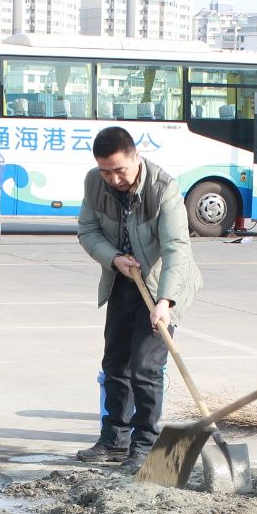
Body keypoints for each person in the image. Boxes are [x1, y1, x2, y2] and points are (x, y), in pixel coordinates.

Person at [75, 126, 201, 472]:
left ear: (136, 158)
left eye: (120, 170)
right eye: (106, 171)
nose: (113, 179)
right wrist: (114, 258)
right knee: (115, 363)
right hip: (122, 280)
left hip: (161, 285)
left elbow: (177, 248)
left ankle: (145, 445)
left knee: (146, 366)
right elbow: (87, 231)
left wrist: (167, 302)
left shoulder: (164, 189)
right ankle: (114, 439)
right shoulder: (94, 183)